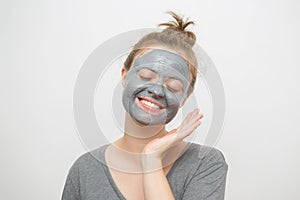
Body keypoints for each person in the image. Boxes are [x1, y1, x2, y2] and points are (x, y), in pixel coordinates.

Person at [62, 11, 228, 200]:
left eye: (173, 86)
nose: (157, 90)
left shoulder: (205, 163)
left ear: (185, 98)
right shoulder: (83, 170)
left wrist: (151, 161)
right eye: (146, 77)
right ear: (124, 75)